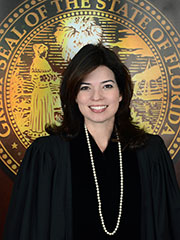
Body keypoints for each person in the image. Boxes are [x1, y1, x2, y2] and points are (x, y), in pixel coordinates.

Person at [3, 44, 180, 240]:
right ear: (74, 95)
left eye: (107, 86)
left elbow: (167, 228)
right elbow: (29, 231)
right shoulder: (46, 156)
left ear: (121, 93)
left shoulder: (150, 153)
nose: (97, 97)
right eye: (85, 87)